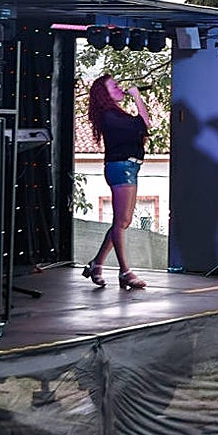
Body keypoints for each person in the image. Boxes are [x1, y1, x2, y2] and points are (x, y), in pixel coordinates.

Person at [82, 74, 151, 290]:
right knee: (122, 222)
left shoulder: (115, 114)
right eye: (114, 86)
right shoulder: (110, 116)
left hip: (129, 167)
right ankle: (125, 271)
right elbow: (144, 123)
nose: (119, 88)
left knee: (122, 222)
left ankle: (96, 264)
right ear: (105, 93)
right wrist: (137, 96)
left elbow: (142, 126)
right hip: (121, 168)